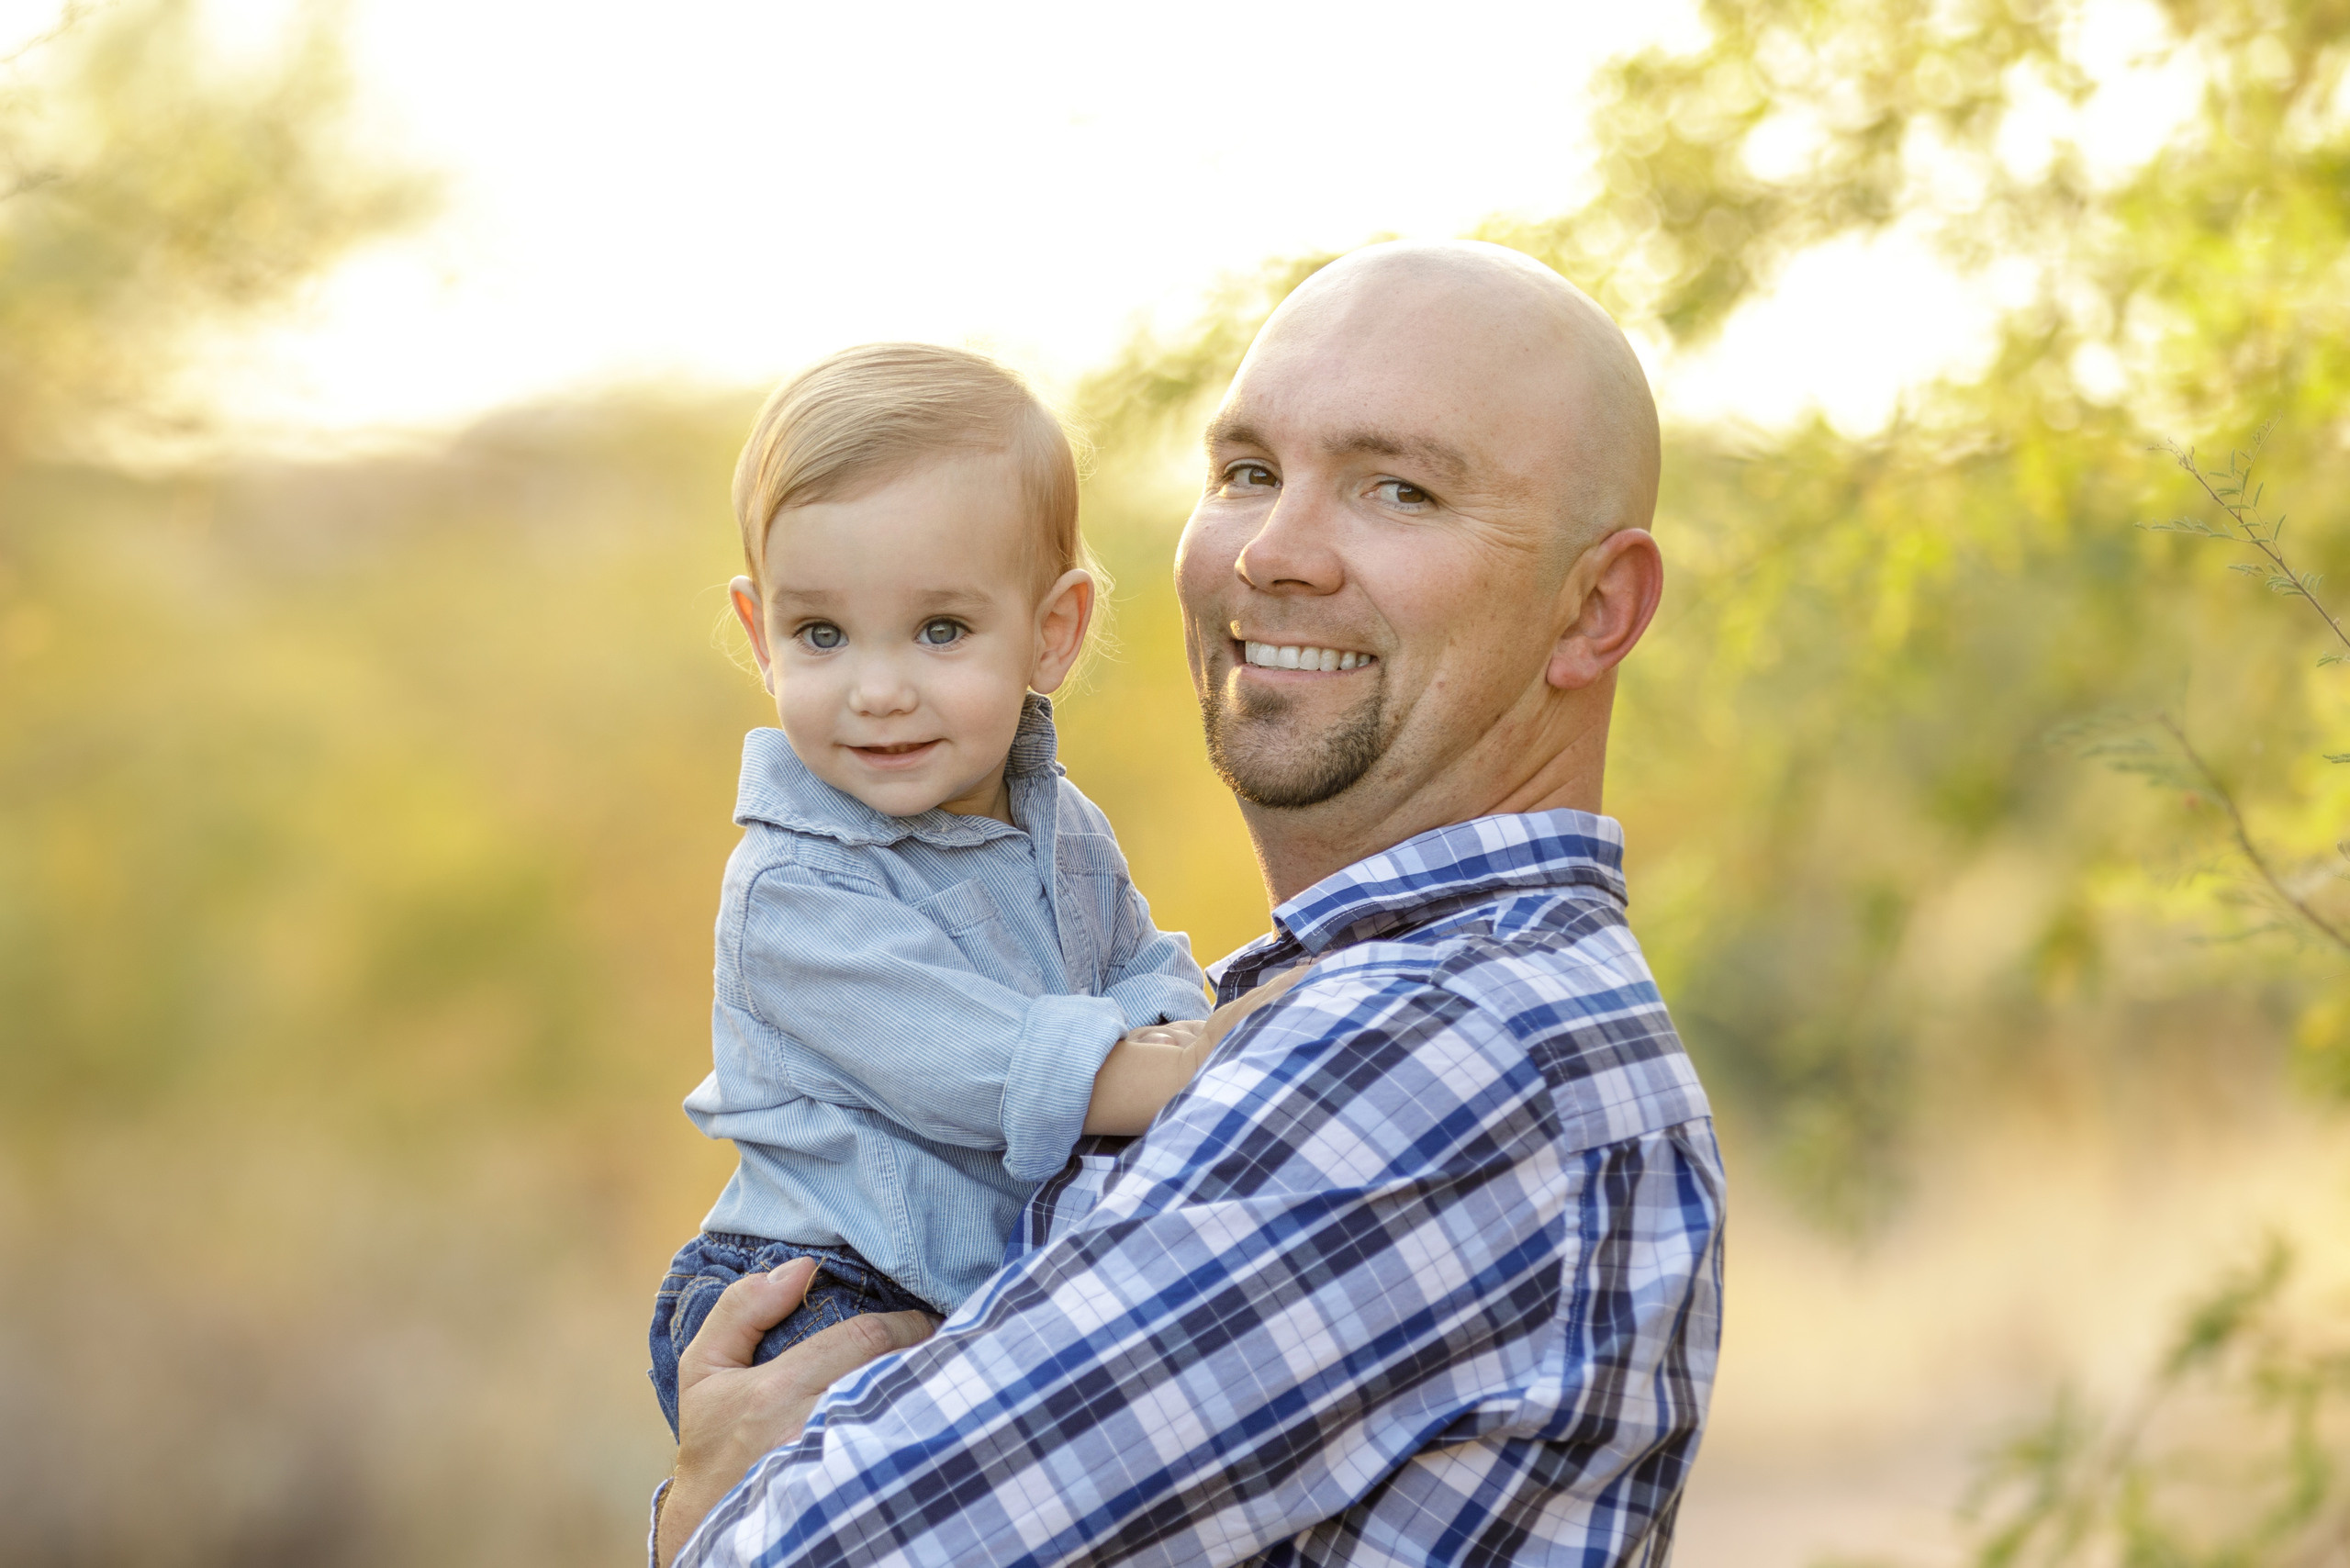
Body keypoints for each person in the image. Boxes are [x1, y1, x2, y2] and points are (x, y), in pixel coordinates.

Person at [655, 241, 1727, 1567]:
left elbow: (810, 1555)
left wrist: (705, 1511)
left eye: (1399, 490)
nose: (1276, 551)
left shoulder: (1433, 1055)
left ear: (1596, 610)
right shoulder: (1406, 1004)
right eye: (1248, 473)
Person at [652, 343, 1289, 1439]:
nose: (879, 689)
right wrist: (1212, 1058)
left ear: (1053, 632)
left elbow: (1137, 962)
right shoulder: (794, 890)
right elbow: (985, 1067)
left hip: (958, 1285)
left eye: (940, 630)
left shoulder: (1057, 821)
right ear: (762, 636)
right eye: (822, 634)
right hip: (817, 1287)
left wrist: (1178, 1027)